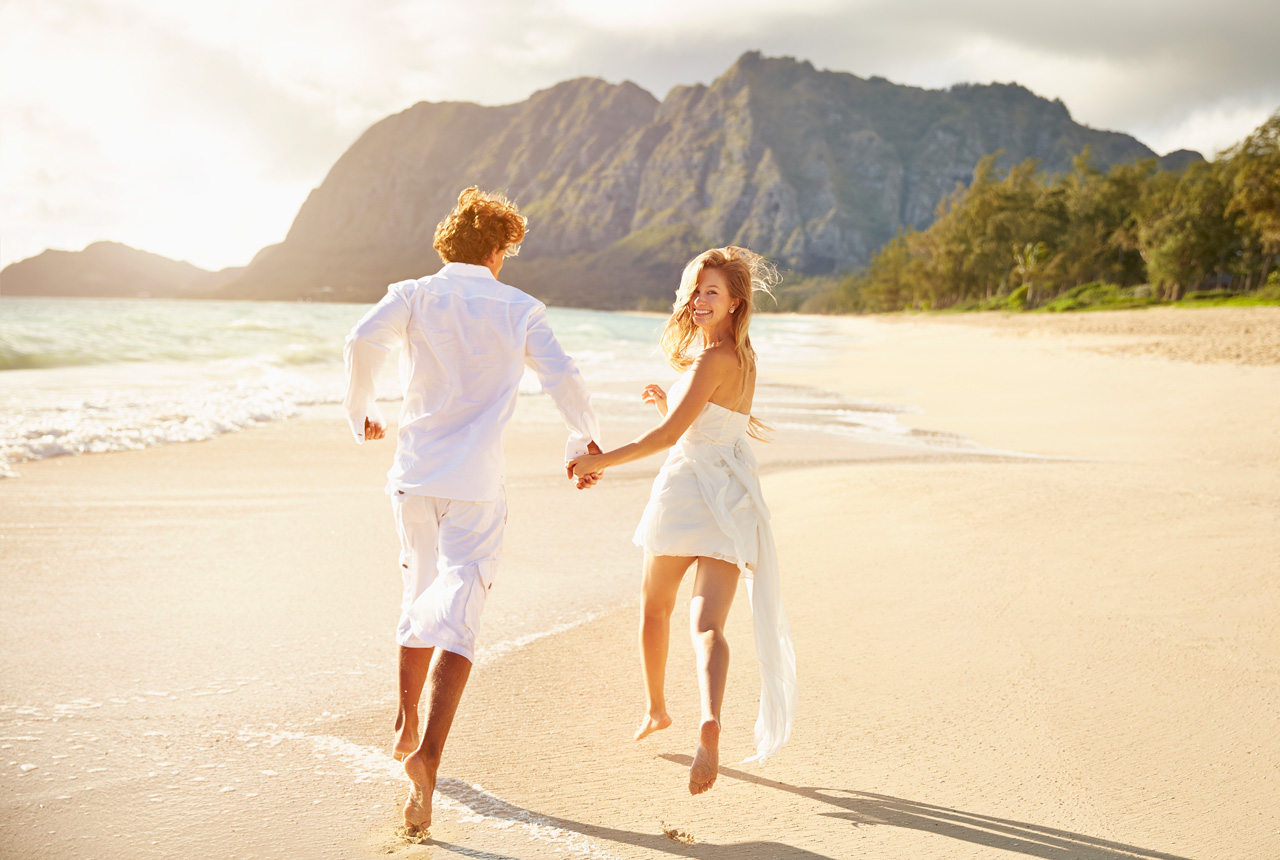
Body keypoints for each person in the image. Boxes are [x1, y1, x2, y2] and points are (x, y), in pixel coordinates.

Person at [343, 187, 601, 833]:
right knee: (461, 613)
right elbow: (563, 375)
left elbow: (359, 341)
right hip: (476, 485)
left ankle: (403, 720)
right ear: (495, 248)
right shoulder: (520, 308)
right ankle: (428, 755)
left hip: (414, 477)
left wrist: (362, 412)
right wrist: (581, 439)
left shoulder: (412, 294)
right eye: (508, 249)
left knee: (418, 590)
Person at [567, 246, 796, 795]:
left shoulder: (707, 360)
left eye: (711, 291)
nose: (698, 299)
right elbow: (708, 422)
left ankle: (657, 709)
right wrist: (665, 401)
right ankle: (710, 717)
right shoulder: (743, 359)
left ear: (735, 301)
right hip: (734, 495)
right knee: (708, 626)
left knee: (654, 609)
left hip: (687, 491)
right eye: (695, 290)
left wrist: (598, 461)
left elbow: (672, 439)